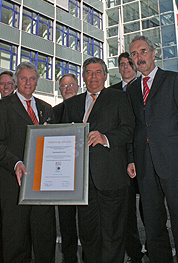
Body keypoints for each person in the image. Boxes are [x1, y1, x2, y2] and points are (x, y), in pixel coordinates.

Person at [127, 35, 178, 263]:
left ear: (153, 53)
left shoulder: (173, 79)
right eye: (134, 54)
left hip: (174, 160)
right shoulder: (132, 90)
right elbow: (134, 128)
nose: (139, 57)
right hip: (144, 164)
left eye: (142, 51)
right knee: (152, 222)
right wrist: (131, 158)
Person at [62, 57, 134, 263]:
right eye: (89, 73)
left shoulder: (119, 97)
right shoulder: (73, 104)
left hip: (111, 177)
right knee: (88, 235)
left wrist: (106, 138)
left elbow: (129, 129)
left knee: (112, 235)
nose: (93, 77)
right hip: (81, 182)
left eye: (98, 72)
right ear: (83, 76)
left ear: (105, 75)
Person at [0, 62, 56, 263]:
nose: (28, 82)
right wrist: (15, 163)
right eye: (24, 78)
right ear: (16, 81)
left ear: (37, 82)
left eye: (32, 79)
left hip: (44, 187)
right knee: (15, 243)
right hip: (14, 185)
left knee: (45, 240)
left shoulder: (46, 109)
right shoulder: (1, 108)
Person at [110, 53, 144, 263]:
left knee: (149, 208)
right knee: (126, 210)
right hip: (120, 159)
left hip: (143, 155)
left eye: (129, 64)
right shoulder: (111, 92)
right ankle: (133, 252)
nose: (125, 68)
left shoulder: (145, 87)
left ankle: (154, 248)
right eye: (121, 64)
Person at [53, 74, 80, 263]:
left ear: (77, 87)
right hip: (62, 176)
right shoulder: (52, 112)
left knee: (89, 223)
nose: (68, 88)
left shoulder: (90, 107)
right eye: (63, 86)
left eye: (71, 85)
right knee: (66, 222)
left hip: (86, 174)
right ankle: (69, 258)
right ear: (59, 90)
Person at [0, 70, 16, 263]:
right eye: (2, 83)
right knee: (1, 223)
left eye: (10, 83)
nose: (6, 86)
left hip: (10, 174)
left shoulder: (17, 109)